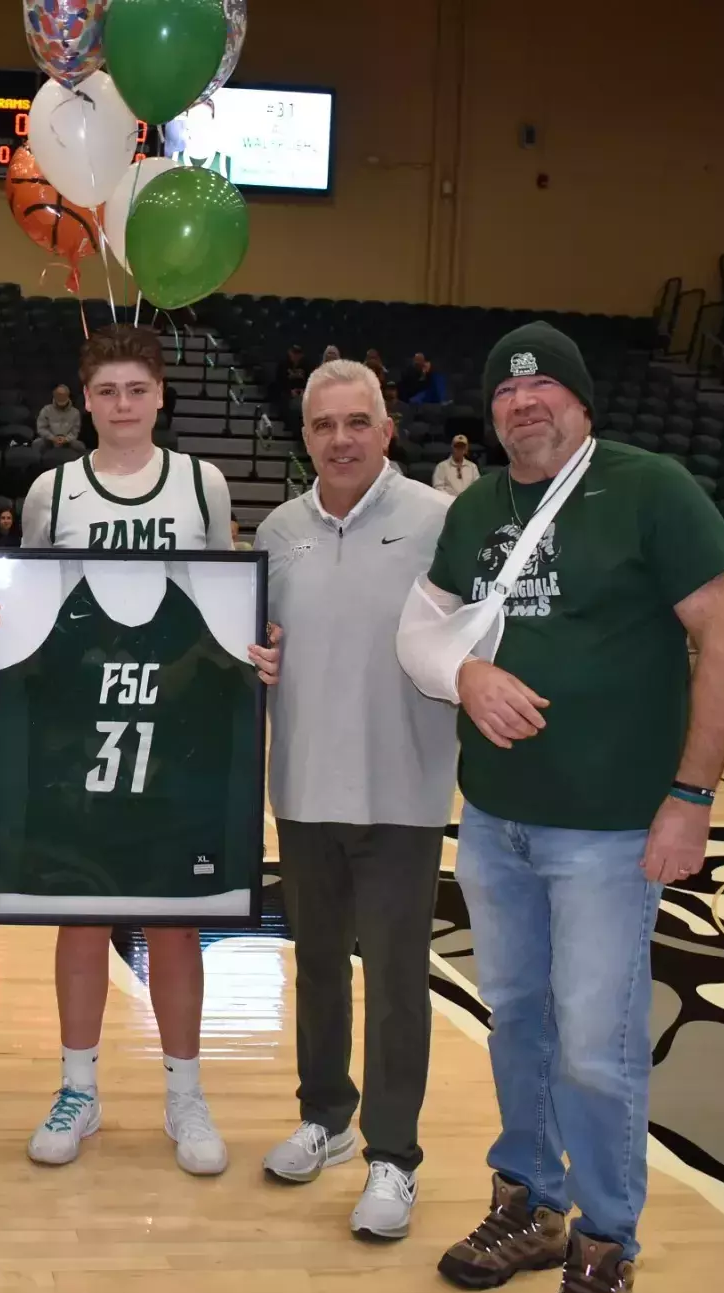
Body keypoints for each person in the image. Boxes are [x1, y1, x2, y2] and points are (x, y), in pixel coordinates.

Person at [405, 322, 724, 1293]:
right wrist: (463, 670)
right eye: (506, 392)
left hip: (609, 832)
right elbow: (422, 630)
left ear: (579, 400)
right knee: (514, 1019)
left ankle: (605, 1247)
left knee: (596, 1048)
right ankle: (529, 1199)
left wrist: (689, 796)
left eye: (543, 388)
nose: (523, 403)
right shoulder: (475, 505)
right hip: (495, 820)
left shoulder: (649, 488)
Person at [0, 324, 280, 1177]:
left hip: (177, 720)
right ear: (83, 400)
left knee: (179, 920)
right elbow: (33, 602)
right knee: (82, 912)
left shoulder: (201, 483)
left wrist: (245, 651)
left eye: (136, 390)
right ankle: (80, 1088)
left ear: (161, 396)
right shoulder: (54, 491)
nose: (121, 406)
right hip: (81, 722)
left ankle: (185, 1092)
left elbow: (220, 599)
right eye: (105, 392)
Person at [255, 360, 454, 1242]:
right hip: (302, 789)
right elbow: (253, 648)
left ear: (386, 429)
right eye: (323, 424)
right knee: (319, 965)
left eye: (356, 422)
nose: (340, 438)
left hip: (403, 792)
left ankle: (394, 1157)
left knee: (399, 983)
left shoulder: (439, 523)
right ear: (305, 436)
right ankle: (327, 1119)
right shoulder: (276, 530)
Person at [433, 434, 480, 499]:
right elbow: (438, 487)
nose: (459, 450)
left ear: (466, 449)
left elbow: (477, 486)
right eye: (457, 447)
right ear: (452, 447)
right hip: (448, 503)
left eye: (462, 447)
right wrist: (450, 499)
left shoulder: (472, 467)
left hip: (468, 501)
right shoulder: (442, 466)